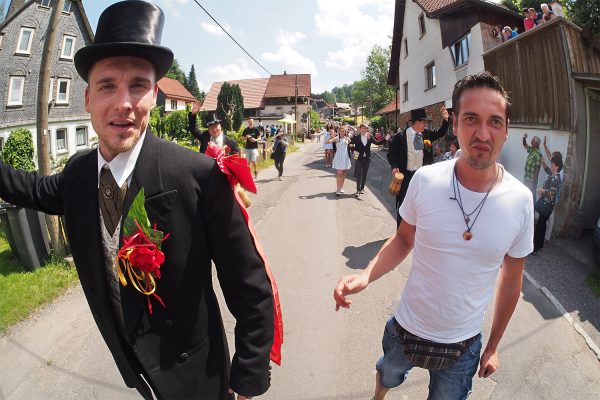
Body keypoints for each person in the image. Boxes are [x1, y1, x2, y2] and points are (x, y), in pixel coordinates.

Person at [0, 2, 281, 399]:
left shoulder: (197, 176)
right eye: (107, 85)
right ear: (87, 99)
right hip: (135, 370)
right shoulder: (79, 175)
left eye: (138, 85)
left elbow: (249, 284)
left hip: (198, 376)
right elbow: (30, 190)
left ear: (154, 95)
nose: (123, 102)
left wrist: (247, 378)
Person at [334, 71, 534, 400]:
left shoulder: (521, 201)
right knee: (388, 374)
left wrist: (494, 346)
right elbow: (402, 239)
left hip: (463, 346)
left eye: (495, 121)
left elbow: (512, 279)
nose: (483, 133)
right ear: (455, 125)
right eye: (471, 119)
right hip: (407, 328)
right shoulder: (425, 181)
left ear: (506, 130)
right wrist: (366, 276)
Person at [387, 107, 449, 227]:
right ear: (416, 122)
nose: (425, 124)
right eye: (423, 122)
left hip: (422, 176)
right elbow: (391, 154)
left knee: (422, 204)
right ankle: (401, 232)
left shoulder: (426, 134)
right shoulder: (400, 136)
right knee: (404, 203)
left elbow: (441, 132)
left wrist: (446, 119)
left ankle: (417, 231)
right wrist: (394, 166)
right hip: (406, 176)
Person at [533, 154, 562, 253]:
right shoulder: (551, 173)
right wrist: (542, 161)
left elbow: (552, 194)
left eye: (553, 164)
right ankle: (540, 245)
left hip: (547, 206)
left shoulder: (557, 179)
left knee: (540, 225)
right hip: (545, 205)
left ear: (557, 166)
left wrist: (542, 191)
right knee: (542, 224)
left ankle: (534, 248)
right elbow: (546, 169)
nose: (551, 165)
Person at [349, 123, 385, 198]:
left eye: (365, 128)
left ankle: (362, 188)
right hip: (358, 158)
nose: (364, 130)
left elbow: (377, 143)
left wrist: (385, 139)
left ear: (367, 129)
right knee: (359, 173)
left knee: (364, 174)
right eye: (362, 128)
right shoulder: (356, 137)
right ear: (360, 129)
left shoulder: (370, 137)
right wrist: (354, 153)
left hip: (367, 158)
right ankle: (358, 190)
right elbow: (350, 145)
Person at [328, 125, 352, 196]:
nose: (342, 132)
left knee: (344, 173)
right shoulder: (336, 138)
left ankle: (341, 187)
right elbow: (327, 142)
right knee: (339, 173)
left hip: (345, 156)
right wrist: (331, 136)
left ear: (345, 132)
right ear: (339, 131)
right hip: (338, 156)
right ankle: (338, 189)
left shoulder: (347, 138)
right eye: (340, 131)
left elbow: (351, 145)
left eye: (343, 131)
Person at [522, 133, 542, 203]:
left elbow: (538, 168)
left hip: (531, 181)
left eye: (532, 141)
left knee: (531, 197)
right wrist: (524, 138)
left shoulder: (538, 154)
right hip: (526, 178)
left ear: (536, 144)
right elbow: (525, 145)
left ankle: (531, 212)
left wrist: (534, 182)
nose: (531, 142)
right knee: (525, 196)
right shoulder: (532, 150)